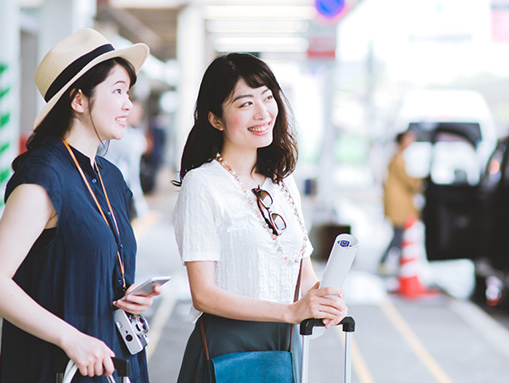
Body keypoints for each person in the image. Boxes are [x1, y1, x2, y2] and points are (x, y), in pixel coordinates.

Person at [0, 28, 161, 382]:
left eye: (129, 92)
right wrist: (71, 339)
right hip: (59, 366)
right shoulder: (44, 175)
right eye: (118, 91)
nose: (128, 105)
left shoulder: (110, 177)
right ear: (78, 100)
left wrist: (128, 296)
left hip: (113, 358)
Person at [172, 53, 348, 383]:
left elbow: (304, 276)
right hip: (226, 351)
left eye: (268, 97)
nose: (263, 112)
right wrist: (289, 312)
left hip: (284, 346)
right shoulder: (203, 184)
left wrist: (324, 301)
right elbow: (203, 294)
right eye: (245, 103)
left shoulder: (282, 183)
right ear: (216, 119)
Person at [378, 130, 423, 274]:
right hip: (399, 205)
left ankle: (397, 263)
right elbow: (408, 180)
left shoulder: (398, 157)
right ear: (402, 140)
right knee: (399, 235)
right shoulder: (398, 159)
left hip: (398, 204)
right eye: (409, 138)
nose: (412, 141)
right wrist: (421, 182)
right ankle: (386, 261)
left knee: (400, 235)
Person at [104, 100, 149, 220]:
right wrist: (139, 199)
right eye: (136, 111)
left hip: (114, 187)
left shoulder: (128, 133)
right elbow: (133, 171)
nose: (138, 114)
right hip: (116, 189)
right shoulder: (120, 135)